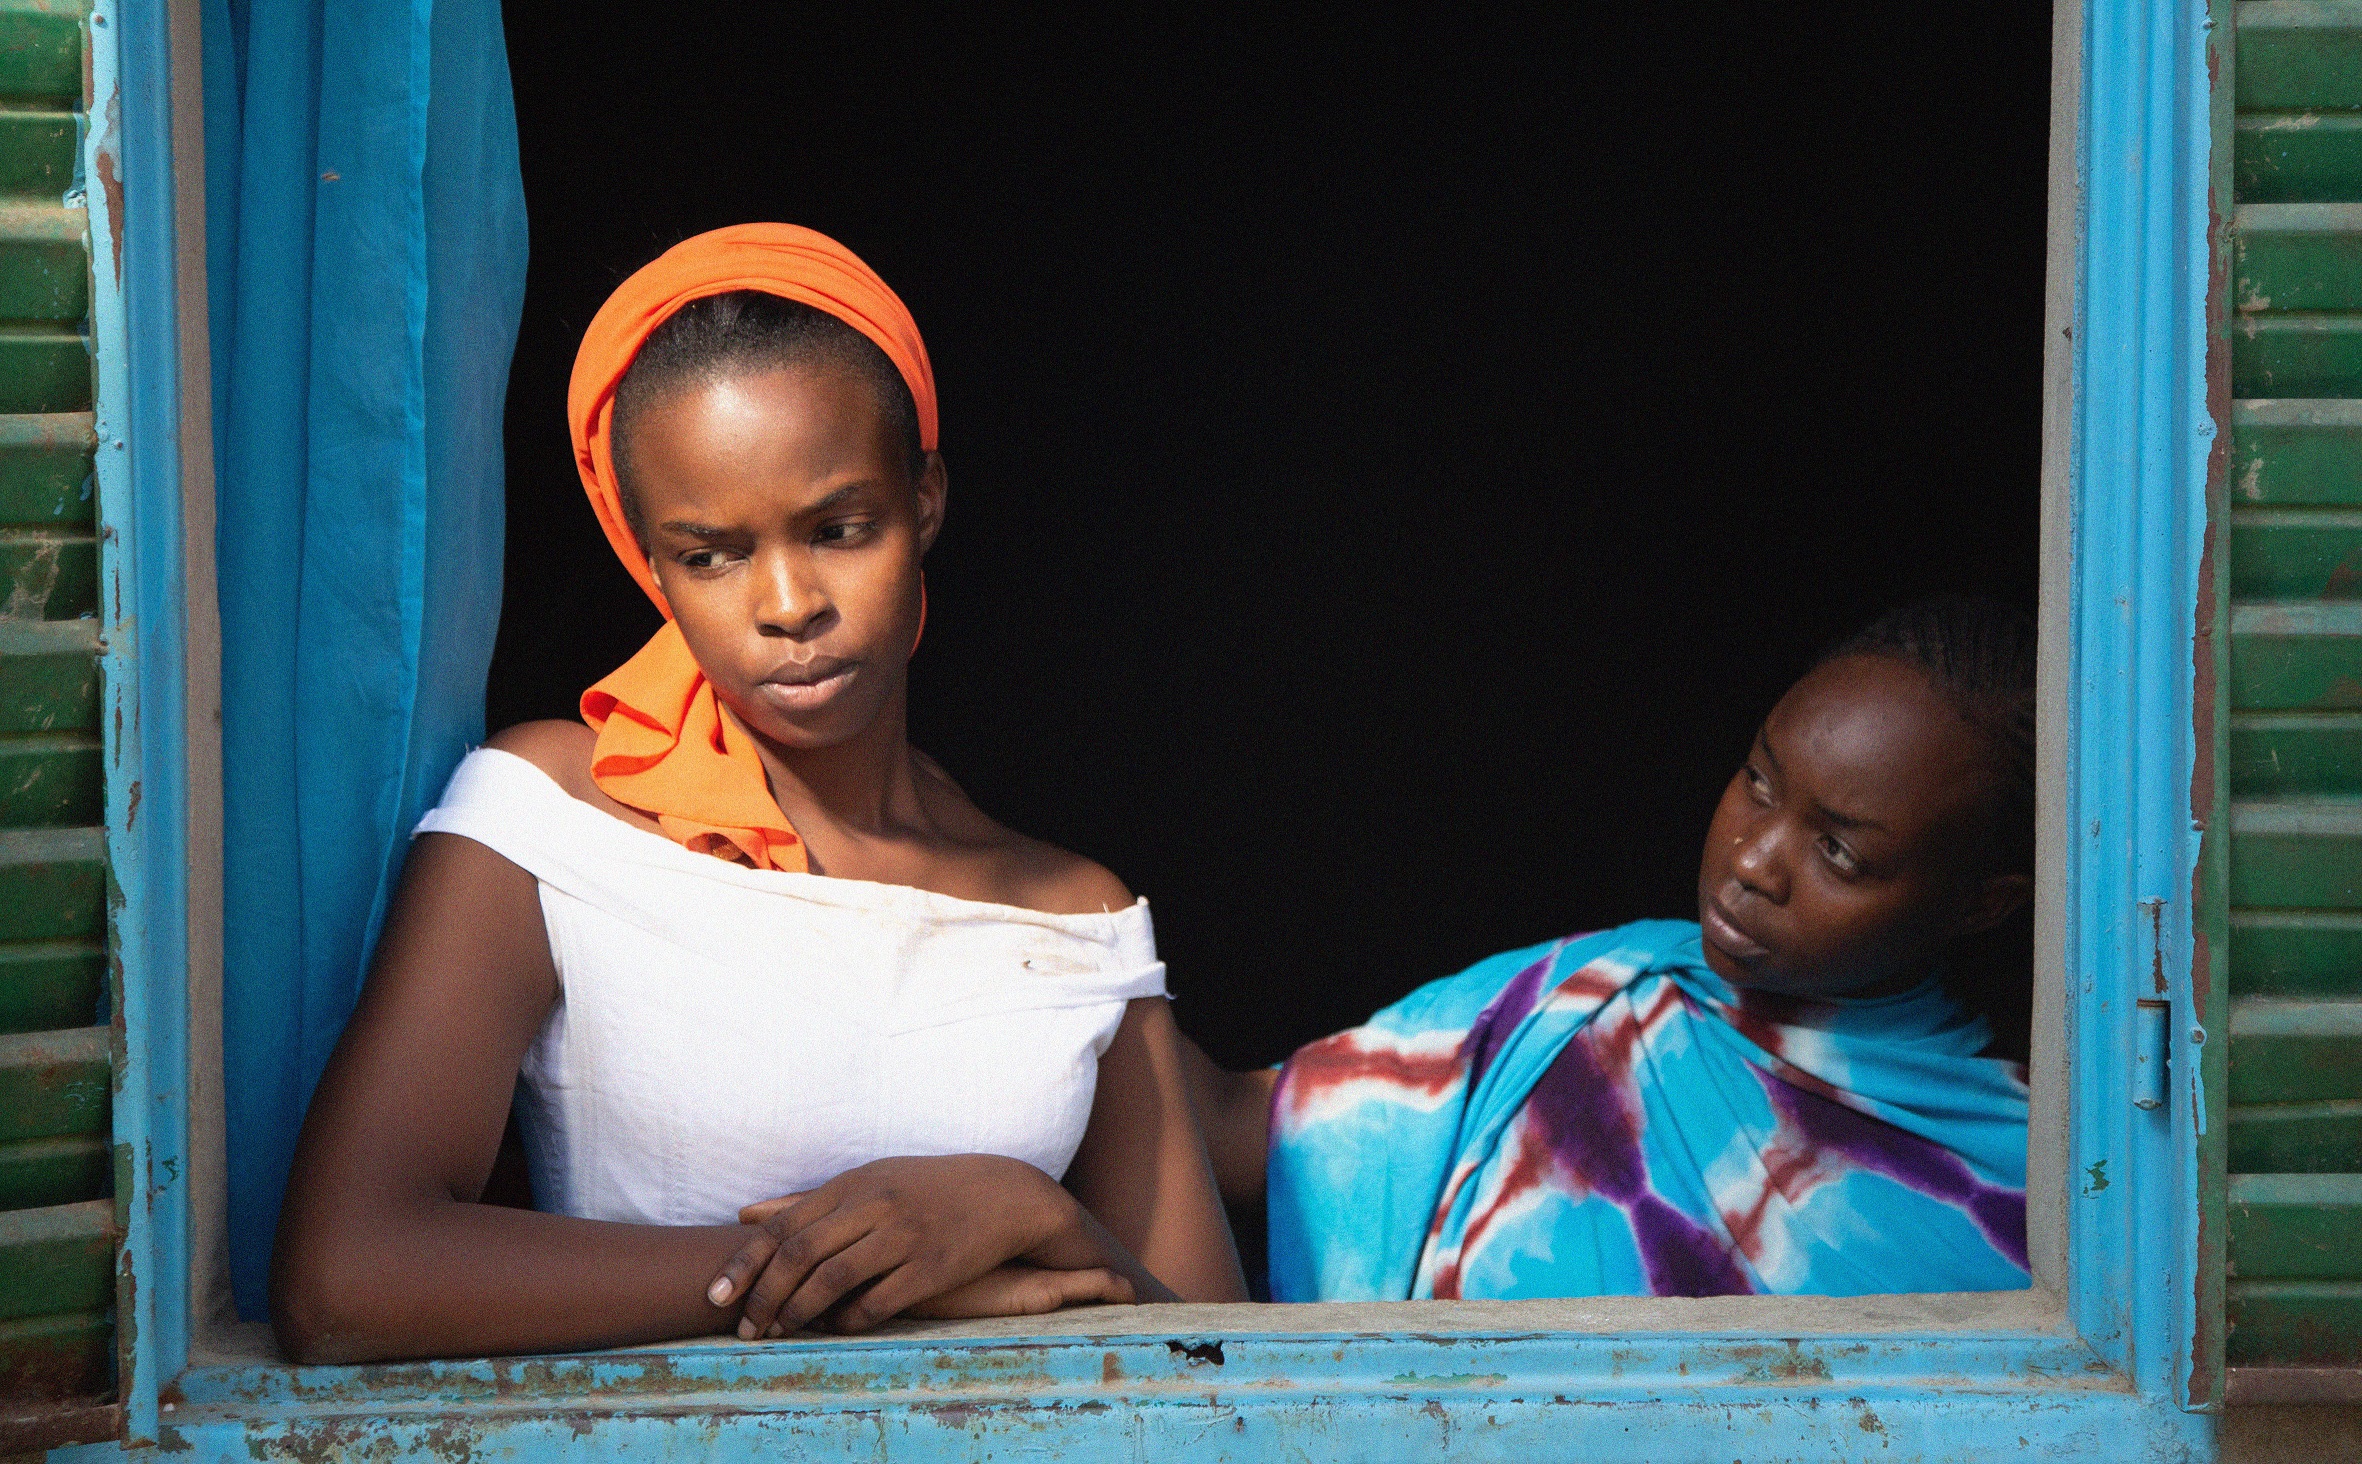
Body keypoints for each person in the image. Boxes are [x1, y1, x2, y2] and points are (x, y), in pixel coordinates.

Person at [271, 225, 1245, 1364]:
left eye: (839, 530)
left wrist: (1031, 1212)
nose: (788, 602)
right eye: (711, 554)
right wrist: (846, 1280)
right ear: (646, 556)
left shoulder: (1075, 916)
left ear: (923, 499)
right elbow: (348, 1276)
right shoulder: (545, 822)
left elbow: (1221, 1365)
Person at [1185, 597, 2036, 1302]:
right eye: (1759, 783)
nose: (1751, 863)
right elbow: (1243, 1128)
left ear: (1980, 906)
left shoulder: (2037, 1199)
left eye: (1839, 854)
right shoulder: (1597, 997)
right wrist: (1081, 917)